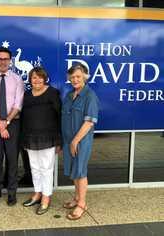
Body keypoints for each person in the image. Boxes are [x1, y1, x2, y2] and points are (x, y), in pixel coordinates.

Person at [0, 47, 24, 206]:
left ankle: (12, 191)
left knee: (12, 158)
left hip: (13, 122)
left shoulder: (17, 79)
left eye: (5, 59)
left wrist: (6, 122)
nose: (2, 62)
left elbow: (18, 103)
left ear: (10, 61)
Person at [21, 67, 62, 215]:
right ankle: (37, 193)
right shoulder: (26, 95)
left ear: (45, 78)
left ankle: (46, 197)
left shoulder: (52, 93)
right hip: (30, 138)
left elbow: (59, 117)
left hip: (48, 138)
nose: (36, 80)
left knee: (46, 168)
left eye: (39, 77)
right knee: (34, 168)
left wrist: (59, 140)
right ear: (30, 80)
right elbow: (24, 118)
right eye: (33, 77)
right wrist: (23, 139)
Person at [61, 63, 99, 220]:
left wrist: (75, 141)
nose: (75, 79)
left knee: (80, 171)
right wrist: (67, 141)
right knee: (74, 171)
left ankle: (82, 204)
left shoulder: (90, 96)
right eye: (72, 77)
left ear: (85, 76)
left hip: (80, 141)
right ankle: (76, 198)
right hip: (69, 141)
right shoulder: (69, 96)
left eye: (78, 76)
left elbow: (89, 122)